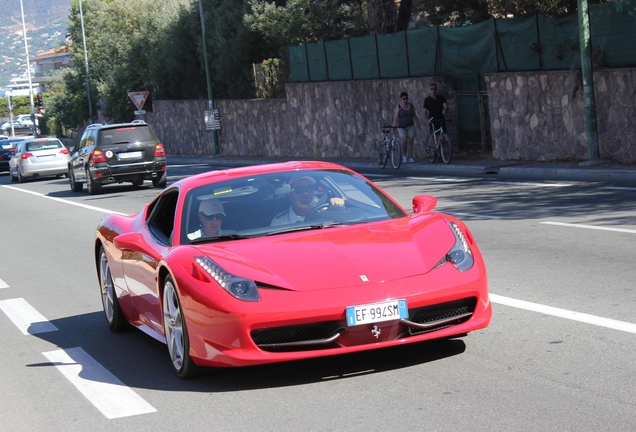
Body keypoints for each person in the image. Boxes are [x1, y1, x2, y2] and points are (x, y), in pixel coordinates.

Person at [271, 174, 345, 226]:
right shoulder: (280, 221)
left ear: (313, 192)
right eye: (299, 189)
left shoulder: (325, 211)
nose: (305, 193)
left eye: (309, 188)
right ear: (291, 196)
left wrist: (337, 206)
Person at [392, 91, 421, 164]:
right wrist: (394, 126)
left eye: (406, 98)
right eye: (404, 98)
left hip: (410, 125)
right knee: (404, 140)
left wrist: (418, 124)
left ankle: (410, 156)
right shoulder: (398, 107)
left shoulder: (411, 106)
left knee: (410, 141)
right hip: (402, 127)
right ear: (401, 99)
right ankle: (404, 155)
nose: (405, 100)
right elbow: (395, 118)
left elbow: (414, 115)